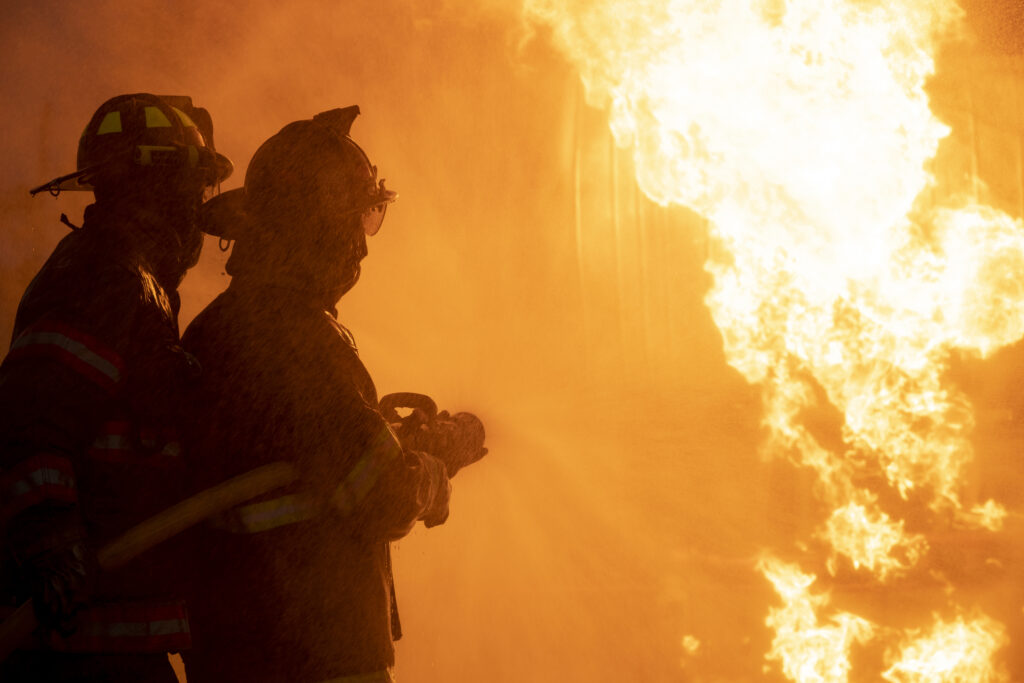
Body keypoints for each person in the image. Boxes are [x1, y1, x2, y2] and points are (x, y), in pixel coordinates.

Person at [181, 106, 487, 683]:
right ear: (313, 228)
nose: (362, 249)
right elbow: (380, 493)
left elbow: (312, 459)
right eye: (355, 222)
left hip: (240, 651)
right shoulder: (297, 339)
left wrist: (391, 438)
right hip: (314, 650)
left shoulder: (218, 329)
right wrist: (433, 467)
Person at [0, 93, 232, 682]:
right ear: (157, 184)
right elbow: (29, 419)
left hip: (118, 636)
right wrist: (50, 537)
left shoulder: (133, 279)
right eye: (193, 187)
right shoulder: (104, 275)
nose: (199, 209)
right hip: (78, 650)